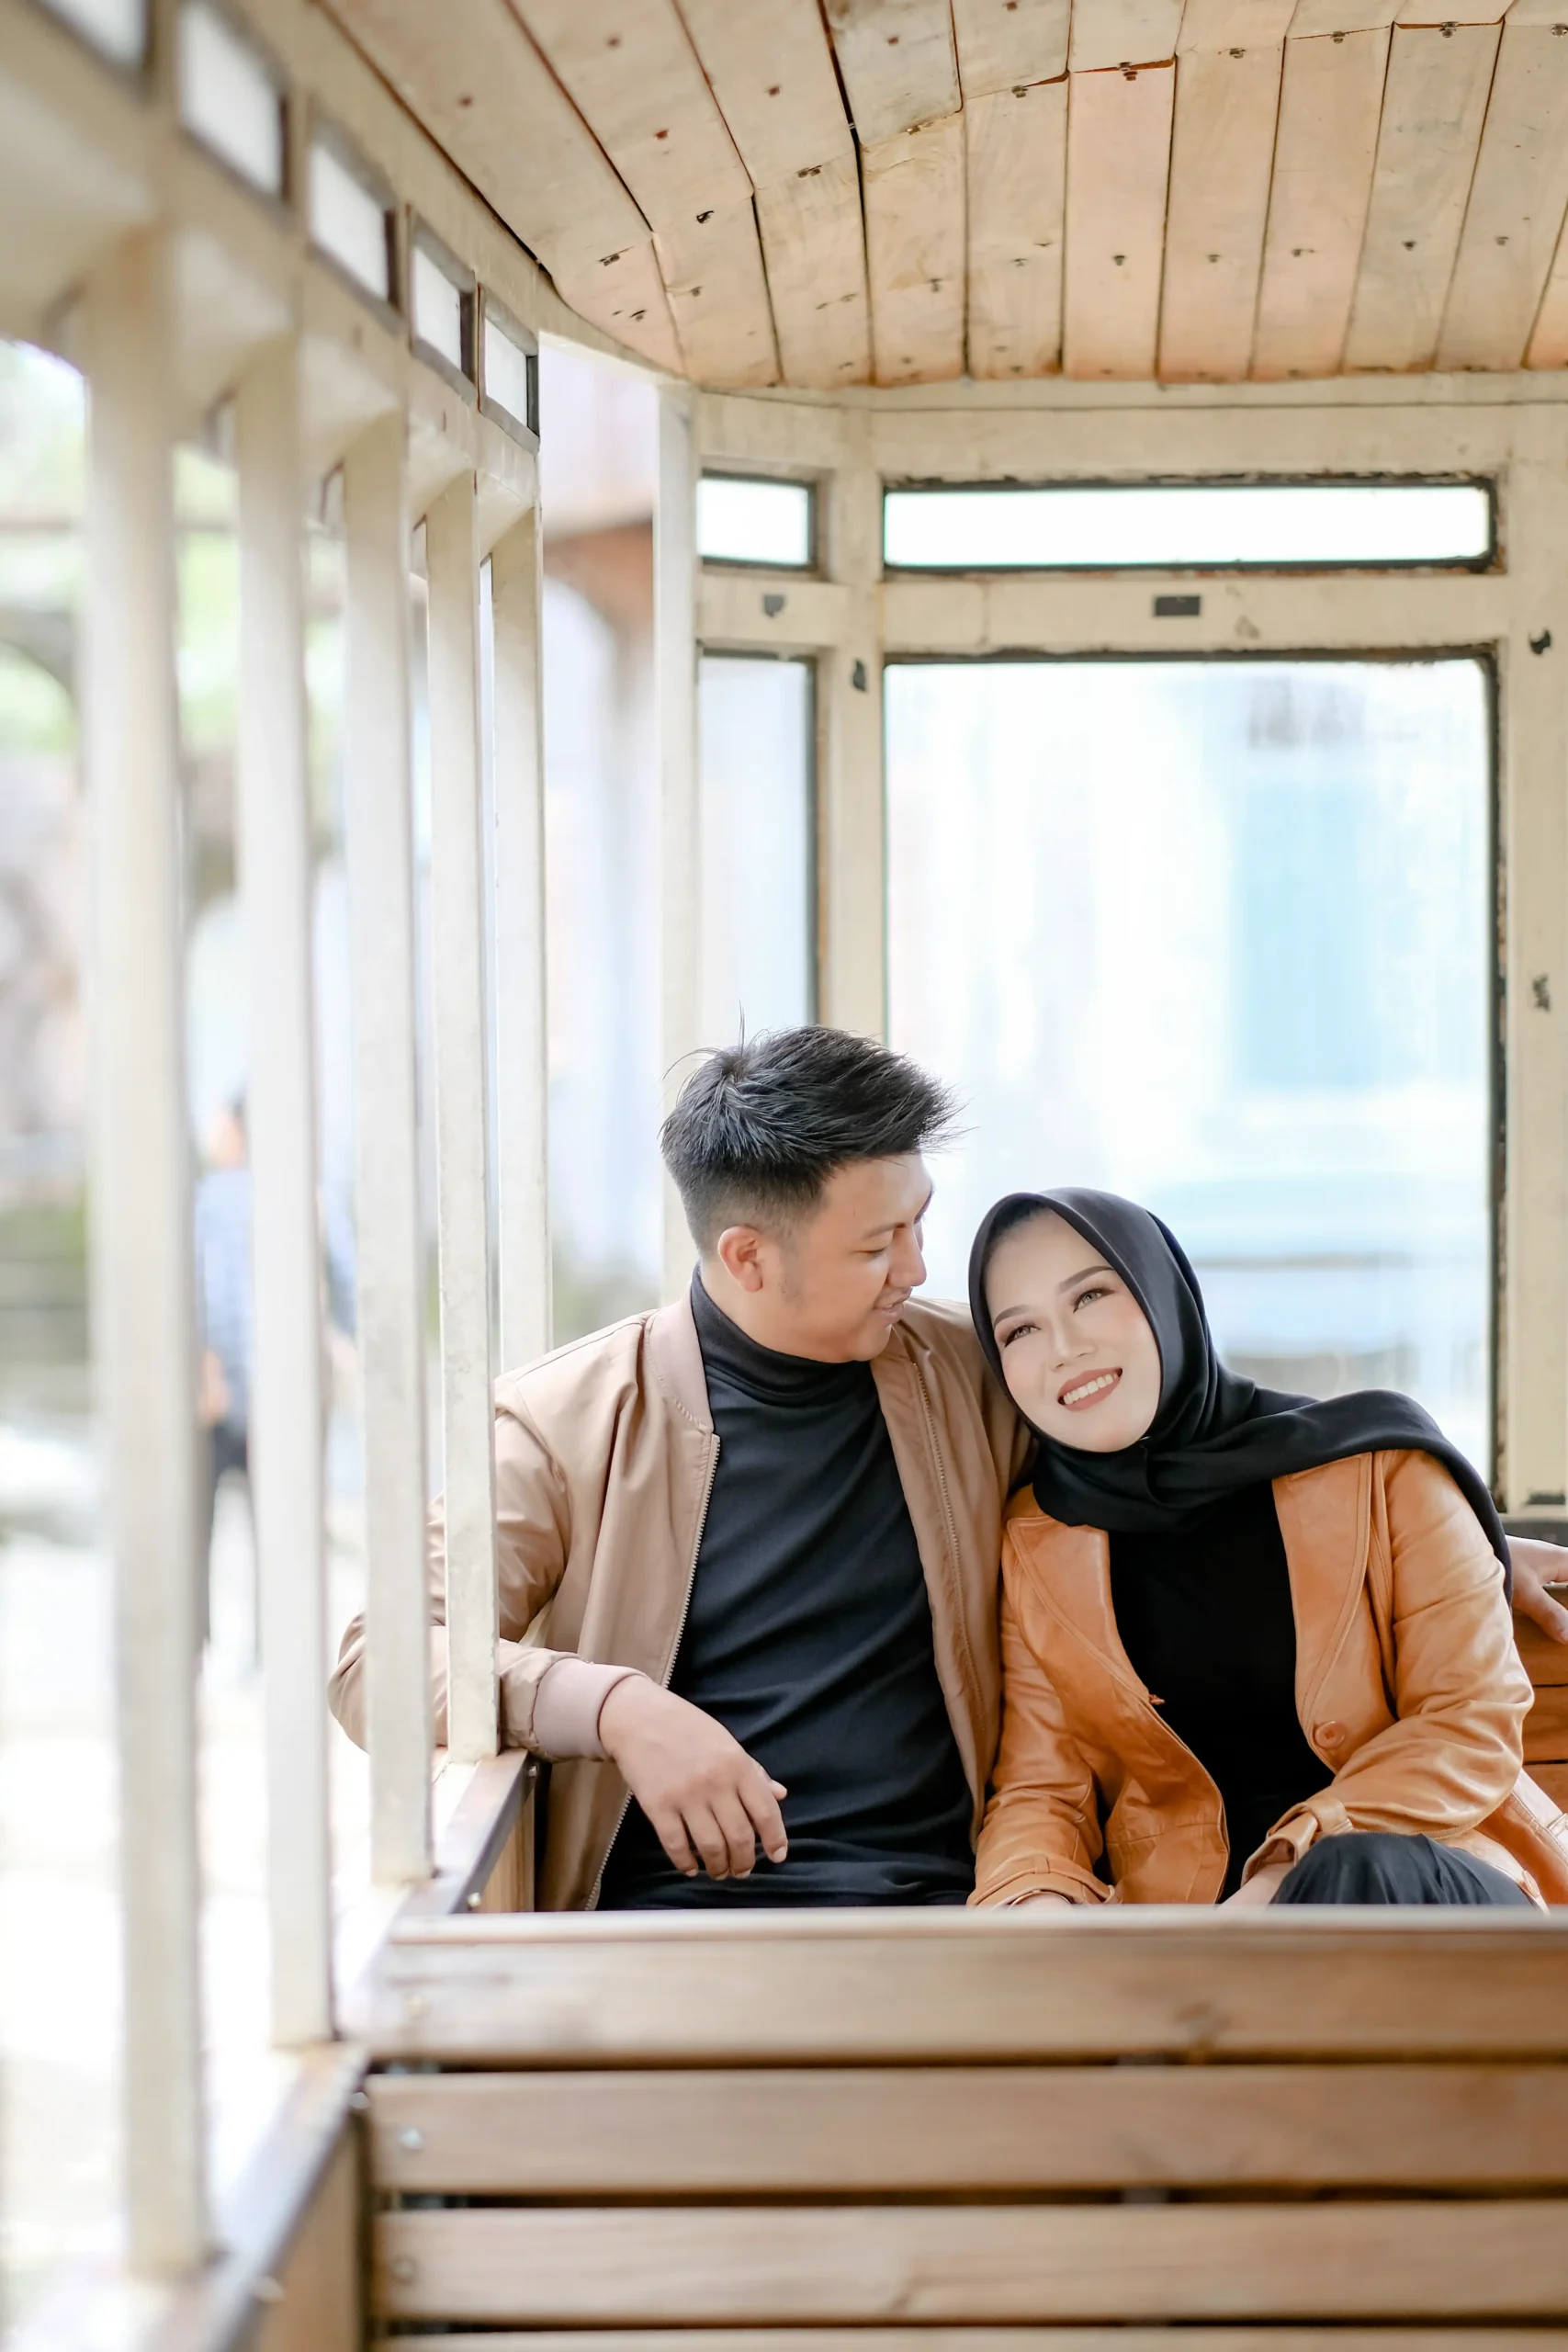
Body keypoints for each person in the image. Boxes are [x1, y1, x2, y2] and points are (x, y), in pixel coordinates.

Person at [326, 1030, 1568, 1909]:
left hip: (946, 1913)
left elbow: (1173, 1434)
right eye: (879, 1244)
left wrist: (1449, 1524)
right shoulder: (563, 1424)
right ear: (748, 1257)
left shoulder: (972, 1374)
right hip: (683, 1927)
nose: (920, 1267)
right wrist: (617, 1708)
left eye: (920, 1223)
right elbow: (376, 1657)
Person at [967, 1188, 1568, 1911]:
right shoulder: (1037, 1539)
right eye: (1020, 1330)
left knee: (1349, 1873)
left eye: (1090, 1296)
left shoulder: (1381, 1465)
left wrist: (1275, 1887)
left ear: (1162, 1294)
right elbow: (1040, 1792)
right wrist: (1035, 1905)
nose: (1064, 1348)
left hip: (1424, 1881)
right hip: (1196, 1934)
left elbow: (1467, 1722)